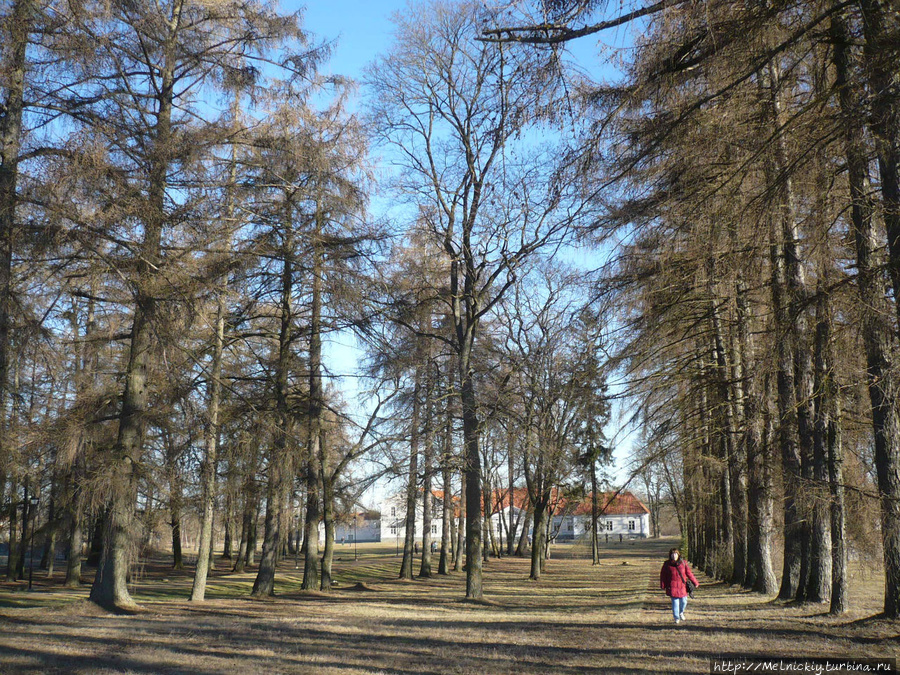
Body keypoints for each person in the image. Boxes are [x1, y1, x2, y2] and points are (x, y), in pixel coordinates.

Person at [660, 548, 699, 624]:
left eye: (675, 554)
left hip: (682, 586)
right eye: (672, 554)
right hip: (672, 586)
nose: (674, 556)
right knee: (675, 603)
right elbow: (663, 575)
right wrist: (663, 585)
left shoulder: (683, 563)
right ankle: (676, 618)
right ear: (670, 555)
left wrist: (695, 582)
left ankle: (681, 612)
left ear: (678, 555)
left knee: (684, 602)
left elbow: (689, 574)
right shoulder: (666, 564)